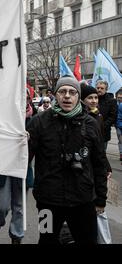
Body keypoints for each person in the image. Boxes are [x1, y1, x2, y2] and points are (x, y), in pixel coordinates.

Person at [27, 76, 108, 244]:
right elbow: (24, 159)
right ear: (55, 95)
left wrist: (101, 199)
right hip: (47, 202)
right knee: (46, 240)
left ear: (78, 96)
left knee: (87, 241)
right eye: (62, 91)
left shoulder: (91, 124)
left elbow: (100, 163)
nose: (67, 96)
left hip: (83, 200)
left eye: (72, 92)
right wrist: (22, 143)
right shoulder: (39, 122)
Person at [0, 88, 34, 244]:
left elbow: (40, 147)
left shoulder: (34, 120)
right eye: (20, 97)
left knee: (19, 207)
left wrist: (29, 141)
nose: (23, 100)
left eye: (26, 97)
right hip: (1, 168)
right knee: (2, 206)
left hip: (21, 170)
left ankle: (16, 238)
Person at [81, 83, 112, 177]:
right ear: (82, 100)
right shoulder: (79, 117)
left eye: (96, 97)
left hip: (96, 159)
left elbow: (100, 144)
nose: (94, 101)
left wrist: (106, 165)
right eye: (90, 98)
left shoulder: (99, 116)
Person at [96, 80, 118, 151]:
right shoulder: (93, 99)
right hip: (92, 130)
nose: (99, 90)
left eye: (102, 88)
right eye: (98, 88)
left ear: (106, 89)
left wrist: (103, 126)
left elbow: (113, 117)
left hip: (104, 132)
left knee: (101, 152)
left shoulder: (112, 101)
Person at [116, 88, 122, 162]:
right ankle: (121, 154)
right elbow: (119, 118)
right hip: (120, 127)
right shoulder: (120, 105)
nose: (120, 99)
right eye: (119, 97)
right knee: (121, 141)